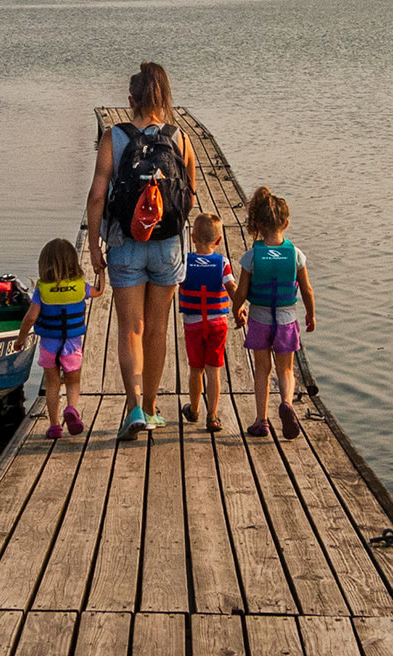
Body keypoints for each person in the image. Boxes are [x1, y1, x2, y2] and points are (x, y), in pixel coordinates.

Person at [84, 63, 197, 439]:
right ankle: (151, 408)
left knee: (130, 328)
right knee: (157, 330)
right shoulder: (180, 139)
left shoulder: (113, 138)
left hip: (126, 246)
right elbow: (187, 198)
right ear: (163, 99)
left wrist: (94, 245)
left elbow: (98, 195)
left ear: (130, 100)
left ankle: (132, 406)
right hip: (166, 247)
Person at [228, 186, 317, 439]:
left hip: (260, 318)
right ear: (286, 223)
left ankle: (261, 421)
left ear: (257, 223)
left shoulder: (251, 257)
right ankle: (287, 403)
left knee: (262, 370)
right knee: (286, 370)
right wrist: (311, 314)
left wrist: (237, 311)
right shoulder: (296, 255)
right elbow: (307, 290)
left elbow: (242, 293)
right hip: (287, 319)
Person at [17, 239, 104, 439]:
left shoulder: (41, 290)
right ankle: (72, 408)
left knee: (53, 384)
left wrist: (21, 339)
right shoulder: (80, 286)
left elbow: (30, 317)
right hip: (72, 345)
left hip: (49, 346)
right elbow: (98, 291)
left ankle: (55, 425)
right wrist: (101, 271)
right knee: (73, 382)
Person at [177, 213, 235, 433]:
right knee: (214, 370)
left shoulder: (185, 262)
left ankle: (194, 409)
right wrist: (239, 308)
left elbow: (176, 282)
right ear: (218, 241)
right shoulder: (223, 264)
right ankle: (213, 416)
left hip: (193, 323)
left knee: (196, 369)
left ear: (192, 237)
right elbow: (232, 289)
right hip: (217, 323)